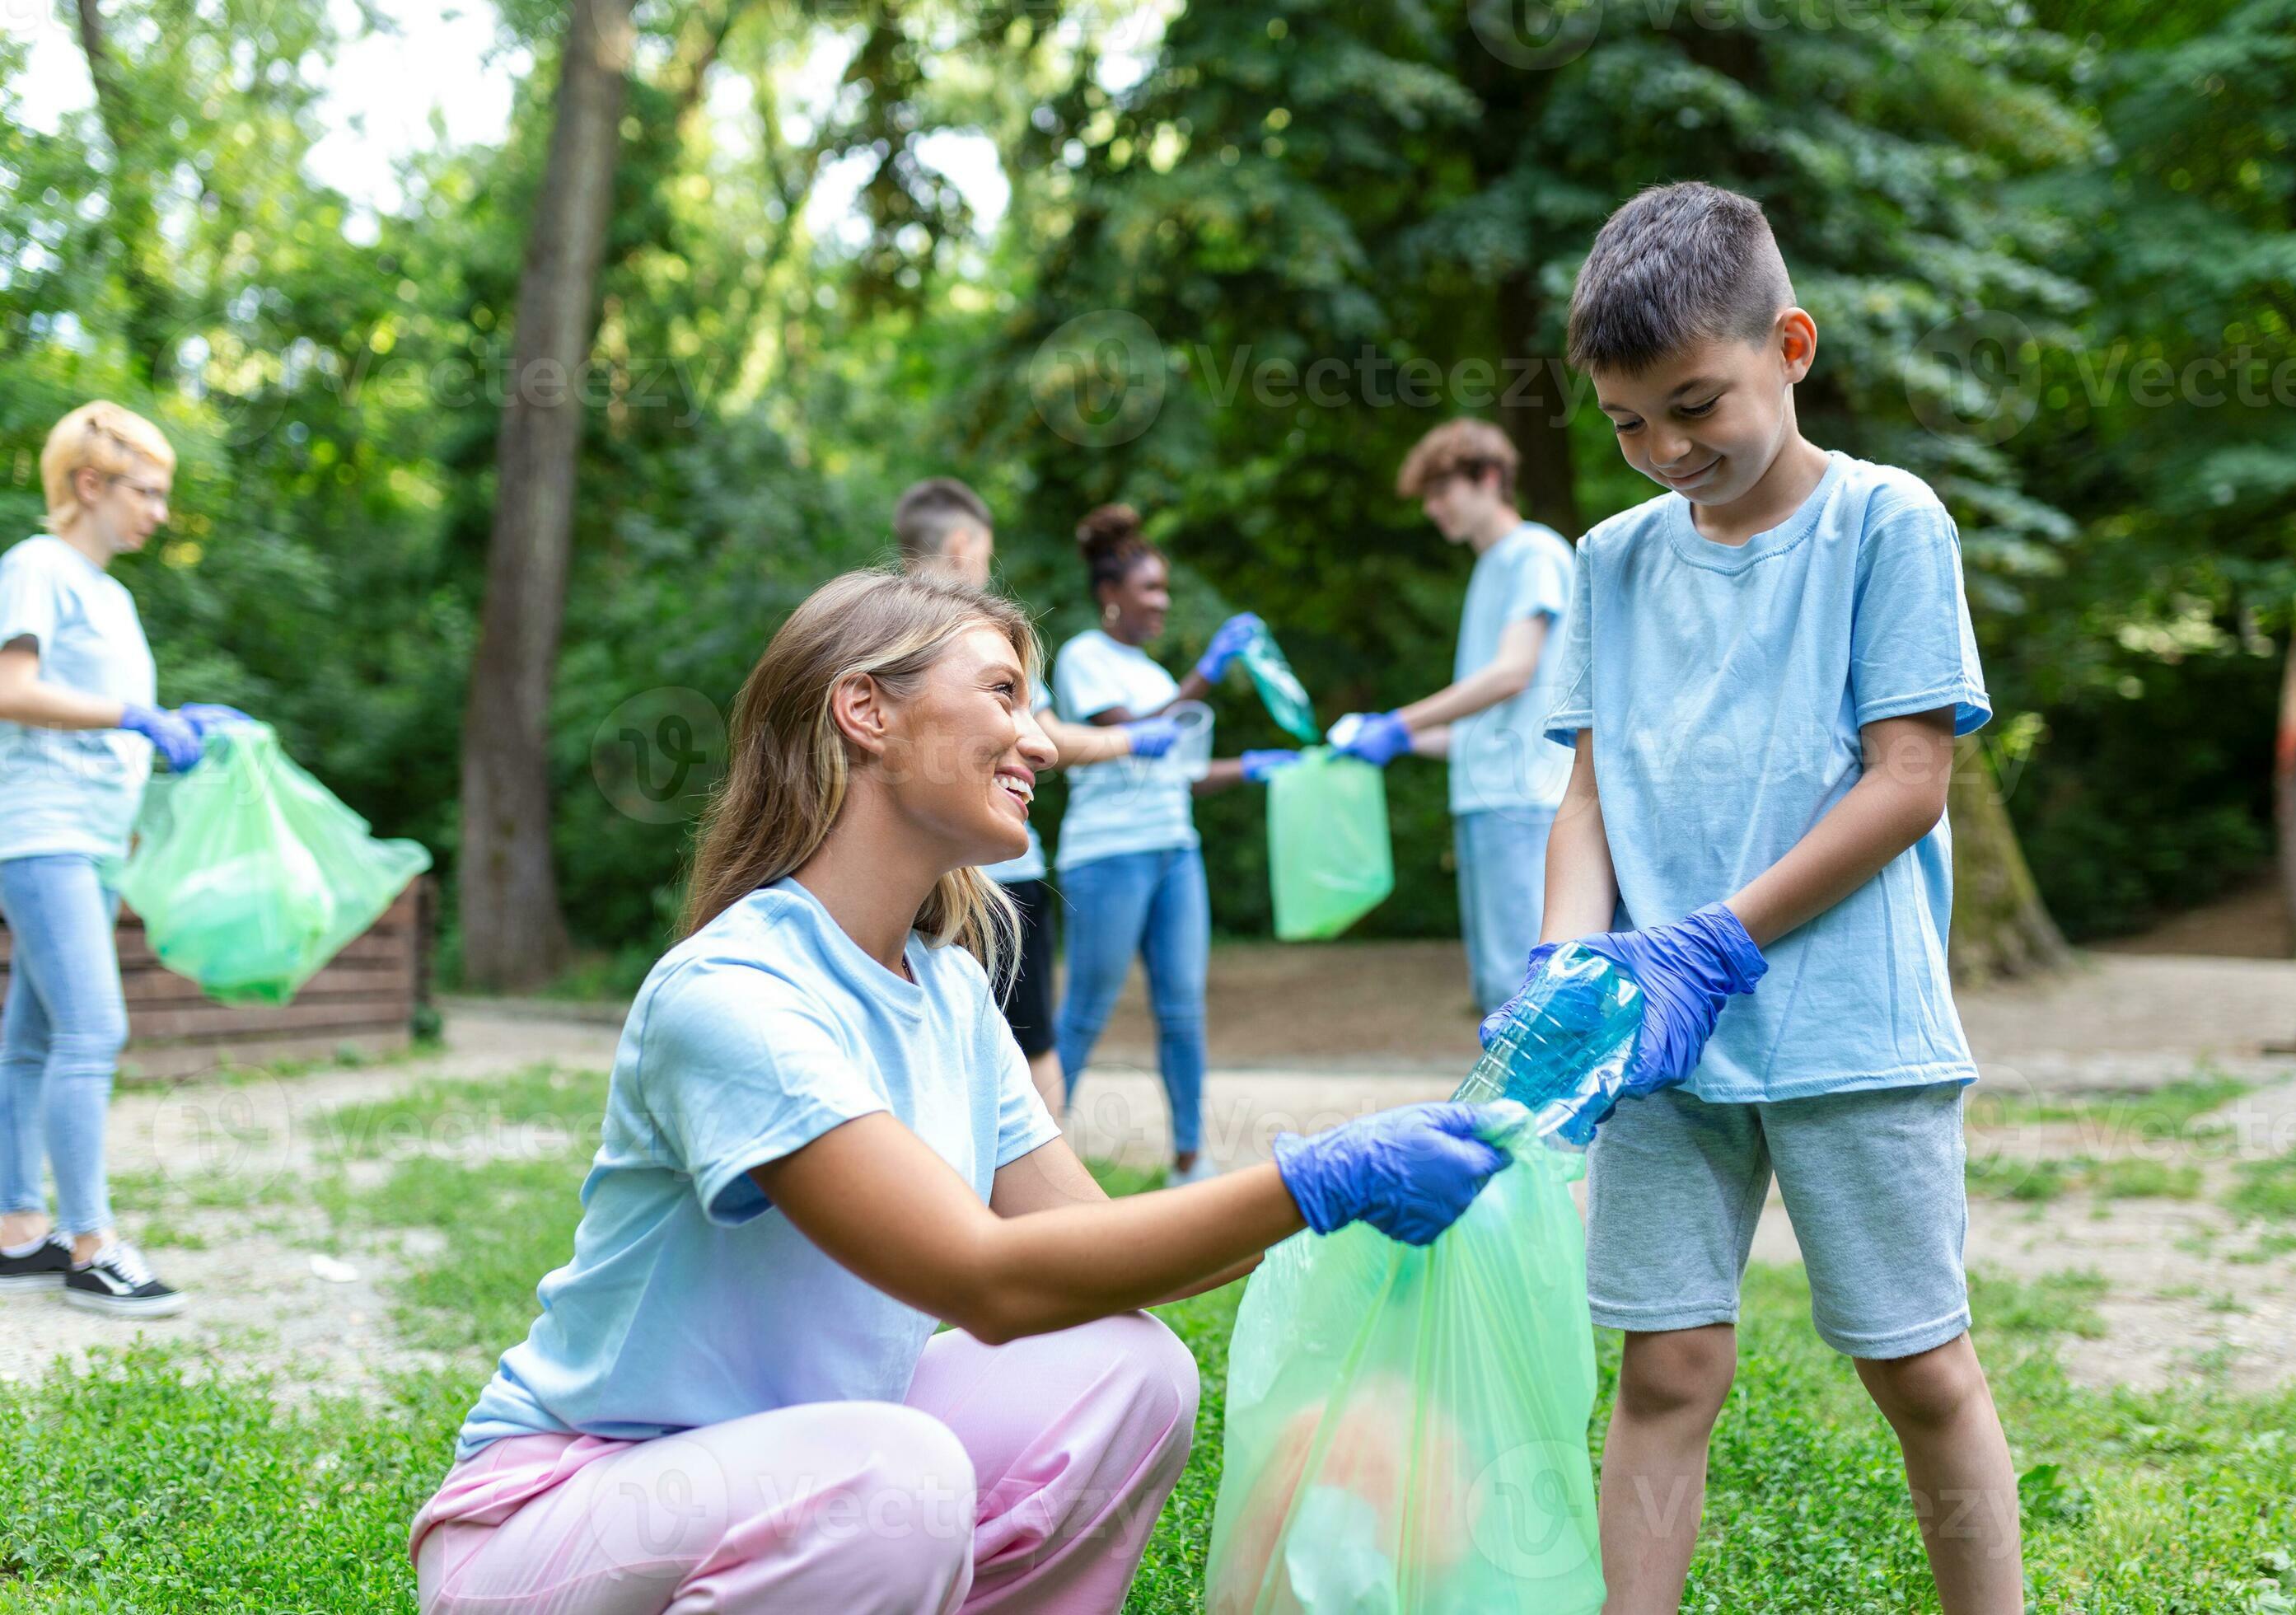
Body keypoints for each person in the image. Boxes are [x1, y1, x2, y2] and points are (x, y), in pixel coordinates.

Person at [408, 569, 1508, 1614]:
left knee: (1132, 1373)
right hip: (566, 1516)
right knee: (898, 1477)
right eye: (1003, 694)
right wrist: (1310, 1180)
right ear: (864, 713)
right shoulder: (736, 996)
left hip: (813, 1473)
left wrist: (1366, 1172)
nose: (1038, 738)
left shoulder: (948, 993)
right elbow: (987, 1280)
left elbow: (1098, 1250)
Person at [1496, 181, 2020, 1615]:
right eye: (1625, 423)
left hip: (1849, 1025)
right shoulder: (1607, 562)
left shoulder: (1887, 525)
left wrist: (1714, 944)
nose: (1665, 450)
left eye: (1693, 403)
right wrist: (1567, 963)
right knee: (1665, 1364)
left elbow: (1906, 779)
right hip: (1660, 1050)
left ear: (1790, 345)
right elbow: (1588, 796)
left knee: (1918, 1368)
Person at [0, 402, 250, 1318]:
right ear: (88, 485)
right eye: (145, 491)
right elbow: (11, 689)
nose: (159, 511)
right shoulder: (38, 568)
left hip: (93, 838)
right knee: (91, 1029)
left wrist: (184, 729)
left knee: (31, 1037)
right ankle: (93, 1244)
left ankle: (18, 1233)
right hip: (41, 833)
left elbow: (100, 717)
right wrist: (137, 717)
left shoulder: (112, 596)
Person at [891, 476, 1182, 1117]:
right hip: (1001, 878)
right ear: (965, 543)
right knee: (1034, 1043)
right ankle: (1040, 1185)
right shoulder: (979, 634)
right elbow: (1047, 741)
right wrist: (1133, 743)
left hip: (906, 875)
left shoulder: (874, 633)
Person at [1051, 504, 1294, 1188]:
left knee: (1183, 1007)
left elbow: (1179, 771)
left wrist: (1255, 766)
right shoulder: (1083, 658)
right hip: (1108, 856)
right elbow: (1130, 735)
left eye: (1164, 589)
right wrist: (1209, 673)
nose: (1162, 602)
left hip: (1174, 850)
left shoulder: (1157, 676)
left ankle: (1189, 1161)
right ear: (1110, 596)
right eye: (1150, 589)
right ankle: (1028, 1157)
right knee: (1086, 1011)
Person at [1330, 419, 1576, 1011]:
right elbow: (1489, 723)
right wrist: (1397, 741)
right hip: (1487, 799)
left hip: (1526, 799)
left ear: (1489, 478)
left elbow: (1513, 672)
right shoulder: (1491, 567)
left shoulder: (1533, 552)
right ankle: (1513, 1108)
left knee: (1529, 990)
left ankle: (1539, 1108)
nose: (1432, 509)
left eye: (1442, 492)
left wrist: (1398, 722)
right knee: (1498, 986)